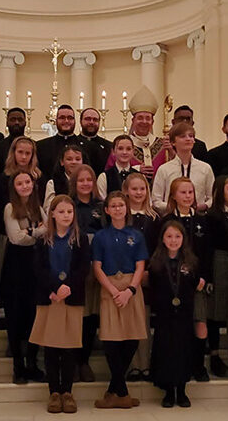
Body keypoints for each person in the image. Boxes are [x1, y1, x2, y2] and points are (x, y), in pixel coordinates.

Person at [29, 195, 90, 414]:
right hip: (50, 297)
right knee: (52, 347)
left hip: (71, 297)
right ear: (52, 214)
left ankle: (67, 392)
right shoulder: (43, 240)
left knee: (70, 346)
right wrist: (54, 289)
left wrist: (67, 287)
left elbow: (83, 268)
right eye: (61, 212)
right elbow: (39, 269)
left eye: (70, 212)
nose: (66, 215)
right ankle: (54, 392)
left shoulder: (80, 239)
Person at [92, 191, 147, 409]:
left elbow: (141, 264)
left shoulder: (136, 235)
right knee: (111, 338)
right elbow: (96, 267)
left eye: (121, 205)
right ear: (106, 210)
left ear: (127, 208)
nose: (117, 209)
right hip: (109, 287)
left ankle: (114, 391)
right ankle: (121, 392)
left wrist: (130, 289)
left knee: (132, 338)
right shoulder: (100, 237)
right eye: (113, 206)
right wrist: (113, 291)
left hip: (131, 287)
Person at [161, 177, 211, 381]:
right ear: (173, 195)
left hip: (196, 281)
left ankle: (198, 365)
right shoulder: (166, 221)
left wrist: (203, 277)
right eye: (183, 192)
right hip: (174, 282)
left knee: (200, 322)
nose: (188, 196)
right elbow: (161, 252)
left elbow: (207, 252)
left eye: (190, 192)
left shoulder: (201, 220)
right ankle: (177, 365)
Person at [149, 220, 202, 408]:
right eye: (169, 236)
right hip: (165, 315)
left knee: (183, 350)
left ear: (183, 239)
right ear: (162, 239)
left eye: (177, 236)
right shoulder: (155, 263)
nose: (173, 240)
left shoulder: (191, 262)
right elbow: (153, 289)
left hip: (184, 315)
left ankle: (181, 389)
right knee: (166, 351)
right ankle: (169, 391)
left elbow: (193, 285)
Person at [0, 172, 46, 384]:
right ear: (14, 187)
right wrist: (35, 232)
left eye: (27, 182)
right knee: (15, 317)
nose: (24, 185)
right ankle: (18, 366)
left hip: (35, 267)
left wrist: (30, 231)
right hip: (15, 267)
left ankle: (32, 363)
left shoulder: (39, 207)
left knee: (33, 316)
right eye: (20, 183)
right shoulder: (10, 208)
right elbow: (16, 238)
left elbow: (49, 229)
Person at [69, 164, 104, 382]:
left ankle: (84, 360)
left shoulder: (101, 207)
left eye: (89, 180)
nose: (85, 184)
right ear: (74, 183)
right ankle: (73, 360)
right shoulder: (68, 205)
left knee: (91, 314)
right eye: (81, 180)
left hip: (96, 264)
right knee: (76, 314)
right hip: (74, 265)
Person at [122, 172, 158, 381]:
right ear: (126, 191)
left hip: (145, 278)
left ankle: (144, 365)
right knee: (127, 322)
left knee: (142, 321)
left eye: (142, 188)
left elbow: (156, 249)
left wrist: (147, 271)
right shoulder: (121, 216)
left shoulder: (154, 218)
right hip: (124, 277)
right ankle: (131, 366)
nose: (138, 193)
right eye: (134, 189)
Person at [205, 175, 228, 377]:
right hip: (218, 262)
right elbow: (208, 248)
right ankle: (215, 355)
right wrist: (208, 276)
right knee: (215, 311)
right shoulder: (212, 216)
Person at [152, 122, 214, 214]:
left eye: (191, 136)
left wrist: (204, 206)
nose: (188, 139)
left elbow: (212, 197)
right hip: (171, 218)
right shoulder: (164, 169)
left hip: (198, 218)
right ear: (173, 142)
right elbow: (156, 201)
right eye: (182, 136)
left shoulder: (205, 168)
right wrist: (175, 207)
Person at [121, 86, 166, 183]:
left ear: (152, 121)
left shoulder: (163, 145)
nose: (144, 121)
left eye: (148, 118)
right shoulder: (122, 145)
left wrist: (171, 151)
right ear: (133, 120)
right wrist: (136, 169)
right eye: (140, 118)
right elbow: (113, 171)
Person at [36, 105, 80, 180]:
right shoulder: (41, 146)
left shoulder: (85, 145)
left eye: (70, 118)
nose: (66, 121)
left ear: (75, 121)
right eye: (62, 118)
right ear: (56, 121)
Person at [0, 136, 41, 210]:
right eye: (20, 152)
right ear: (13, 152)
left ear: (32, 155)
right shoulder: (5, 177)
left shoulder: (38, 176)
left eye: (27, 153)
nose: (24, 157)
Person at [43, 145, 84, 214]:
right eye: (69, 159)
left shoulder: (88, 182)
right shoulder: (52, 184)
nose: (74, 162)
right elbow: (49, 209)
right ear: (62, 162)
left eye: (77, 159)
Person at [97, 135, 140, 200]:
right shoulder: (104, 177)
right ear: (113, 151)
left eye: (128, 149)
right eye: (120, 148)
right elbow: (102, 203)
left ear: (133, 152)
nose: (124, 152)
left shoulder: (139, 176)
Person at [77, 108, 112, 178]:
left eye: (95, 120)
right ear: (80, 121)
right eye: (88, 119)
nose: (91, 122)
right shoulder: (73, 143)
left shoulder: (109, 146)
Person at [0, 108, 27, 175]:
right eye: (13, 119)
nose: (16, 122)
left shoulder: (34, 146)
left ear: (25, 123)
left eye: (20, 120)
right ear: (7, 123)